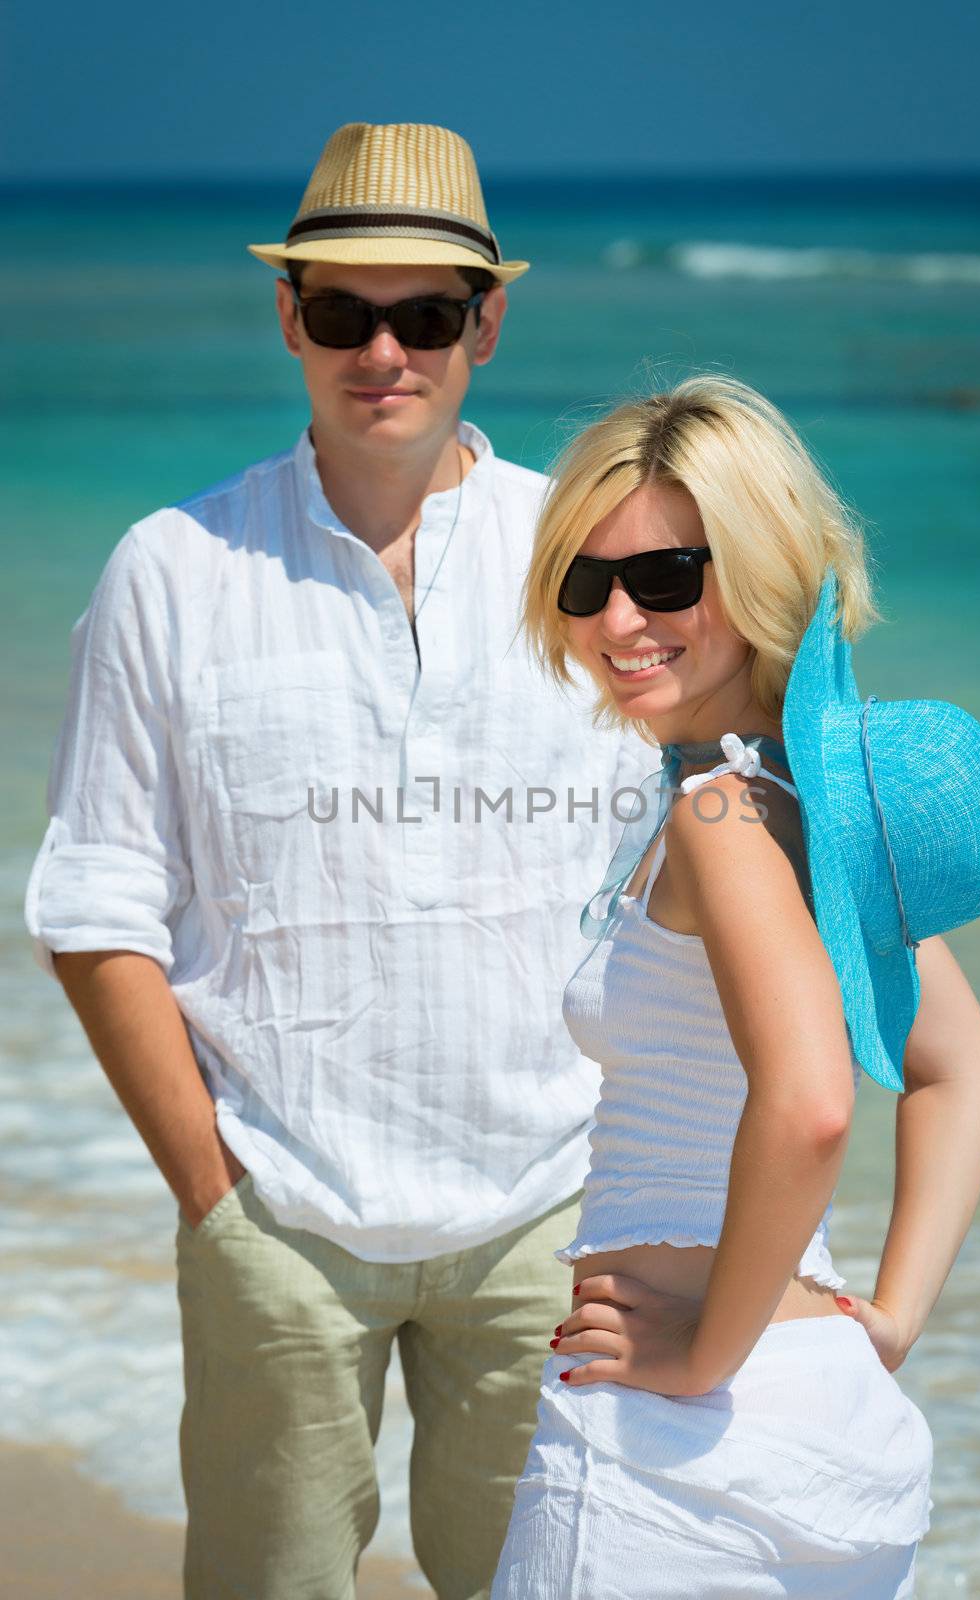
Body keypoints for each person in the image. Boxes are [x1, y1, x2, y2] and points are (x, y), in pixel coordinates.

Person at [24, 121, 643, 1600]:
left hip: (546, 1213)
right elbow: (95, 899)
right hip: (279, 1221)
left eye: (425, 313)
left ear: (487, 324)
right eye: (342, 312)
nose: (384, 351)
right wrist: (212, 1196)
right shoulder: (171, 569)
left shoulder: (588, 556)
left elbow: (670, 869)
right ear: (287, 314)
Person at [491, 374, 980, 1598]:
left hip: (668, 1444)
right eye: (585, 582)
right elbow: (960, 1065)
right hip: (827, 1420)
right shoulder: (805, 817)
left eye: (669, 576)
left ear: (765, 570)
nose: (620, 618)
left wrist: (697, 1354)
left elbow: (815, 1099)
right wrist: (888, 1317)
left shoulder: (720, 813)